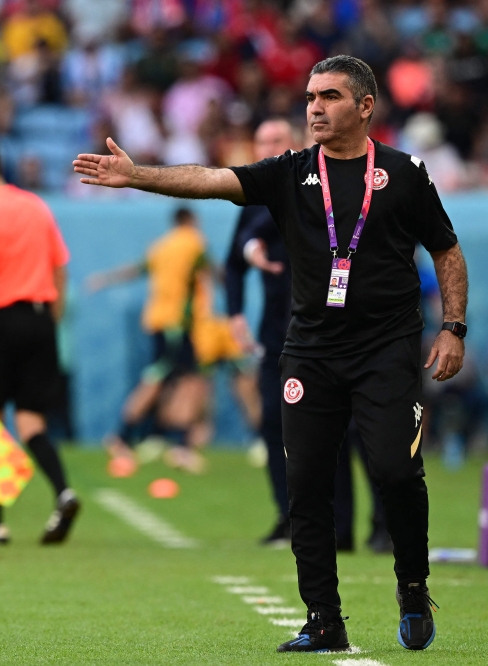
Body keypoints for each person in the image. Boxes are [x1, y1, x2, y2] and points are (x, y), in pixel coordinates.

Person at [74, 55, 469, 653]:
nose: (315, 107)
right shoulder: (289, 173)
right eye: (310, 96)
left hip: (386, 350)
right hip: (309, 352)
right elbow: (211, 179)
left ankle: (412, 585)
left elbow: (447, 251)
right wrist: (138, 175)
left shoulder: (403, 173)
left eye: (331, 96)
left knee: (394, 471)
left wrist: (454, 328)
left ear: (365, 107)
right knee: (305, 486)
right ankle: (322, 618)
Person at [0, 137, 80, 547]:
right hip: (41, 320)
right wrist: (49, 321)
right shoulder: (37, 206)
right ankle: (64, 492)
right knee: (31, 422)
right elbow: (61, 269)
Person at [88, 207, 210, 476]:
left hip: (157, 321)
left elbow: (137, 269)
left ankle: (167, 441)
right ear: (191, 221)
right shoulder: (193, 243)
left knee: (173, 379)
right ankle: (131, 437)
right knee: (170, 380)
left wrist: (105, 279)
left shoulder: (161, 246)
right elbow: (210, 270)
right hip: (177, 324)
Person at [223, 117, 297, 547]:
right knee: (272, 421)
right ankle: (286, 516)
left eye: (277, 141)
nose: (269, 148)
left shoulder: (309, 189)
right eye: (262, 142)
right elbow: (234, 258)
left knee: (344, 432)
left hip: (320, 328)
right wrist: (235, 314)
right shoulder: (253, 201)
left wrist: (251, 246)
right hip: (275, 331)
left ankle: (372, 526)